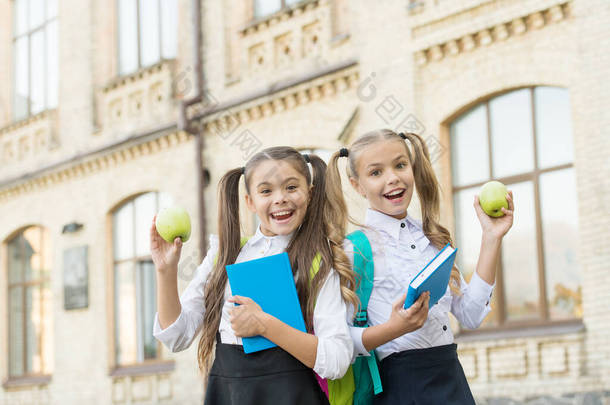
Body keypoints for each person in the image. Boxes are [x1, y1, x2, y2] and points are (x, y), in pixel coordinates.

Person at [151, 146, 358, 405]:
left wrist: (264, 325)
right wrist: (165, 271)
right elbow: (176, 336)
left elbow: (337, 359)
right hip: (229, 395)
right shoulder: (224, 255)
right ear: (250, 201)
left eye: (291, 187)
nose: (280, 198)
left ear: (310, 193)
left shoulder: (321, 261)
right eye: (266, 191)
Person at [325, 129, 514, 404]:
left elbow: (471, 315)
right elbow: (339, 343)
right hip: (398, 388)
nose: (393, 178)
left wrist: (491, 238)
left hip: (452, 381)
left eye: (400, 165)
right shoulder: (353, 252)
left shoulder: (434, 240)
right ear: (357, 185)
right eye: (376, 172)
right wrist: (393, 328)